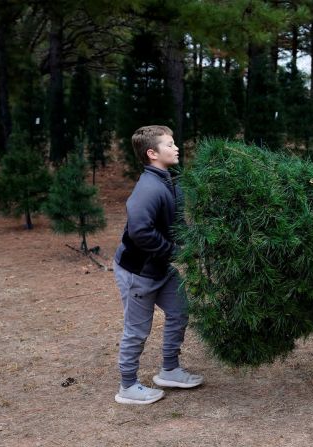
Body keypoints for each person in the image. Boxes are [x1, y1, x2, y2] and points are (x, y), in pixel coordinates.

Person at [113, 125, 203, 405]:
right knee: (137, 330)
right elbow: (140, 231)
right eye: (169, 144)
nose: (176, 148)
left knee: (180, 310)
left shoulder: (168, 180)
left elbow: (173, 223)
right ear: (152, 153)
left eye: (174, 143)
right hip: (138, 272)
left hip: (161, 268)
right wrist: (174, 252)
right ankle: (127, 386)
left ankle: (170, 370)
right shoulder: (148, 188)